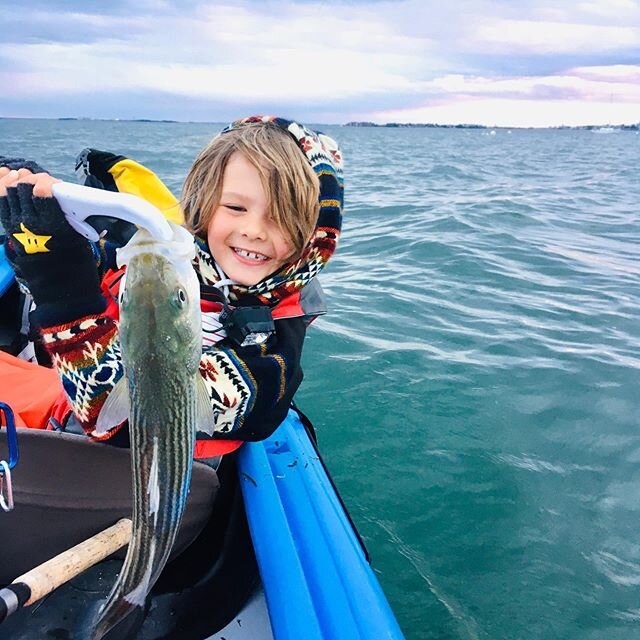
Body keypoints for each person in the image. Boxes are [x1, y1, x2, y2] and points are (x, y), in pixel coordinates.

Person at [0, 116, 344, 462]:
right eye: (235, 207)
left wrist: (60, 287)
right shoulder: (171, 259)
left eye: (283, 215)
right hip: (54, 399)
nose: (255, 229)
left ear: (315, 234)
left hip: (104, 463)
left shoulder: (272, 359)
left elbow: (127, 419)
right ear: (204, 204)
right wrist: (39, 215)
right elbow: (90, 263)